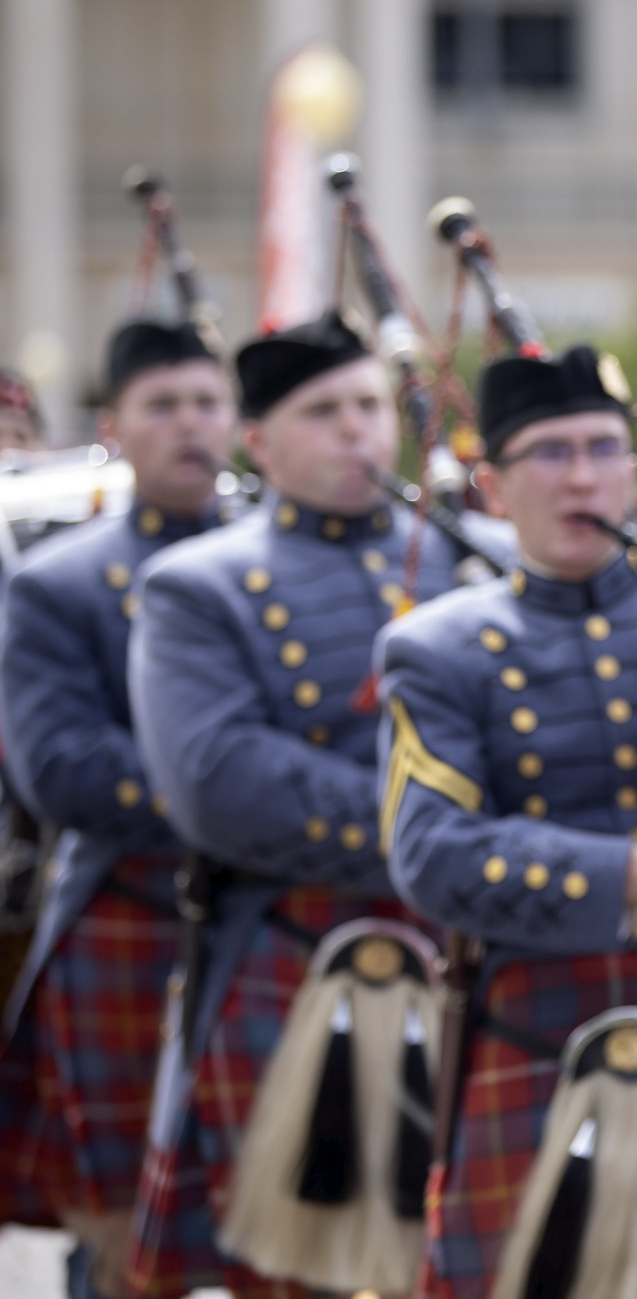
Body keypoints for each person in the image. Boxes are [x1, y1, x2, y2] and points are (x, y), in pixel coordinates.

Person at [377, 344, 637, 1299]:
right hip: (535, 1017)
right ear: (494, 484)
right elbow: (432, 857)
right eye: (552, 453)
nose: (586, 475)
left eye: (605, 447)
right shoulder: (437, 648)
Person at [122, 310, 505, 1298]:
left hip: (488, 948)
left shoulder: (489, 560)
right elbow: (224, 787)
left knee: (489, 1247)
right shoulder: (195, 587)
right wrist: (451, 838)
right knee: (307, 1274)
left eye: (371, 405)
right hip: (302, 950)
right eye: (324, 411)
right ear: (259, 441)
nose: (358, 431)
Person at [0, 320, 233, 1297]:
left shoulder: (288, 569)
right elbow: (59, 772)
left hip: (272, 917)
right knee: (126, 1237)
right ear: (115, 428)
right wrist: (242, 794)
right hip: (123, 916)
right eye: (163, 406)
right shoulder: (57, 584)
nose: (191, 426)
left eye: (208, 403)